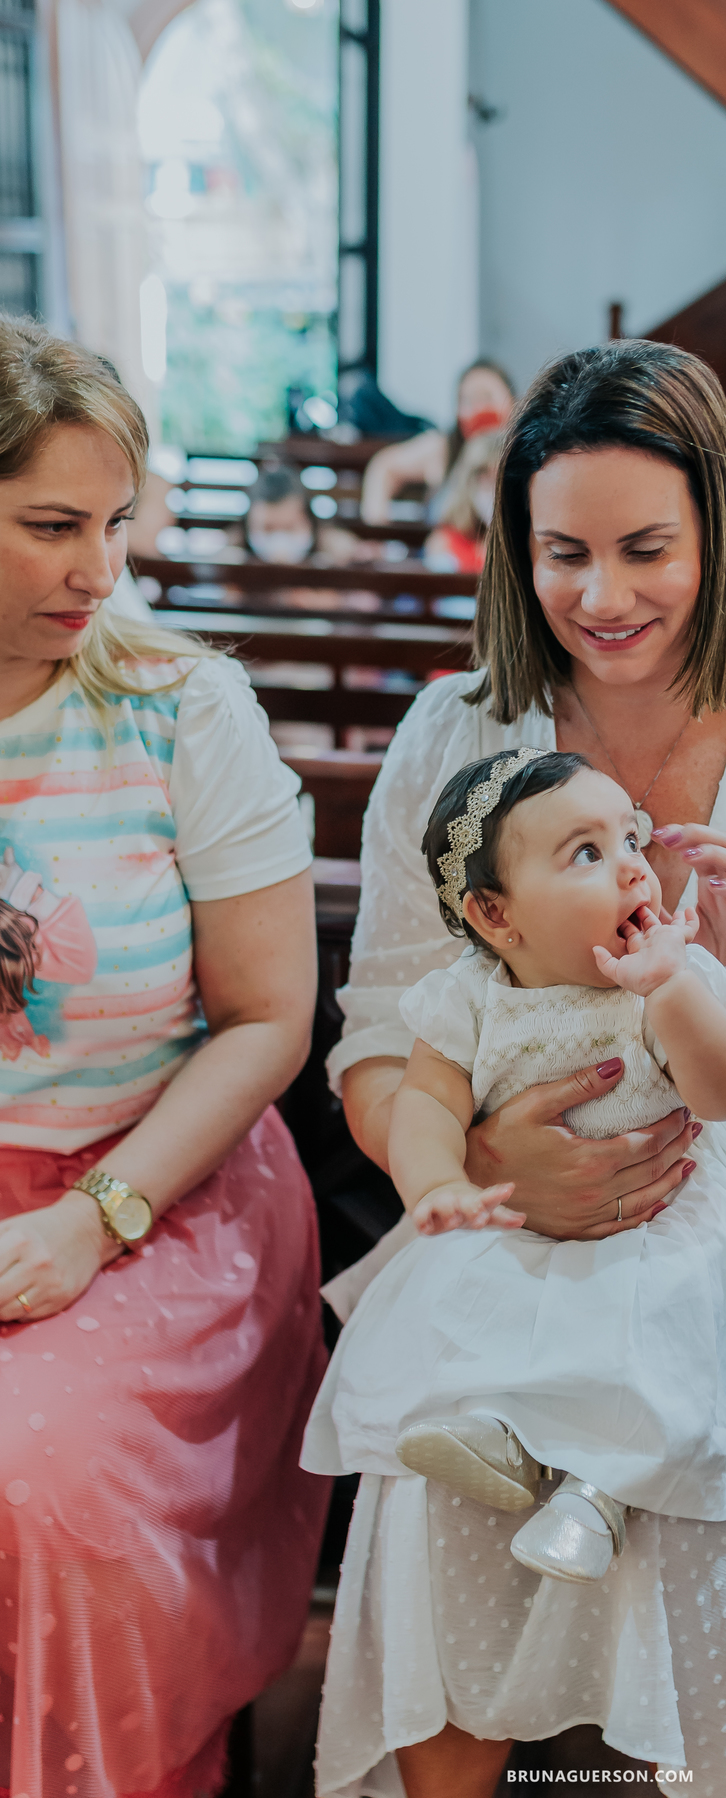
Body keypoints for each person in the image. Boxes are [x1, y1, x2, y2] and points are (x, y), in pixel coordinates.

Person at [322, 339, 726, 1797]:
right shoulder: (458, 734)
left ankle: (721, 1762)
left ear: (718, 532)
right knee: (436, 1467)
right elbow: (378, 1043)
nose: (602, 597)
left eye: (644, 549)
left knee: (692, 1459)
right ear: (515, 547)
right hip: (518, 1230)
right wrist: (491, 1164)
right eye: (563, 552)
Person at [304, 750, 726, 1598]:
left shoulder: (670, 978)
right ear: (495, 914)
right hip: (529, 1219)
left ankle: (600, 1493)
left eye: (630, 836)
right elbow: (427, 1105)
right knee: (481, 1299)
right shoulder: (468, 998)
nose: (634, 862)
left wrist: (669, 990)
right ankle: (497, 1434)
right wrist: (436, 1184)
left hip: (674, 1213)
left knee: (669, 1319)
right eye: (587, 853)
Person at [0, 316, 330, 1797]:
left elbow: (270, 1017)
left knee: (44, 1485)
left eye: (115, 523)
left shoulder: (180, 710)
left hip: (158, 1192)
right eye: (49, 526)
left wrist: (94, 1216)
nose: (98, 569)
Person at [358, 359, 515, 524]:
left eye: (486, 397)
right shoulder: (442, 449)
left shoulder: (524, 454)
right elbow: (384, 466)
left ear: (514, 404)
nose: (478, 409)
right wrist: (376, 531)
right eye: (467, 400)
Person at [422, 428, 502, 573]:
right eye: (485, 478)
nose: (494, 491)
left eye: (501, 481)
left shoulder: (525, 546)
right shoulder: (443, 542)